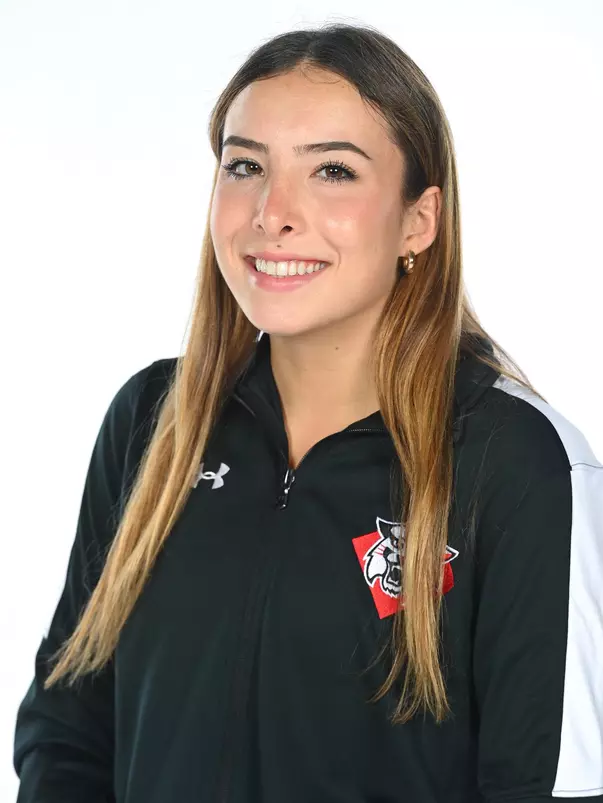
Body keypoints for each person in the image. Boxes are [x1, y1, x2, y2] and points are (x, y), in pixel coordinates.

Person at [13, 21, 603, 803]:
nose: (272, 212)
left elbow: (551, 782)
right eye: (244, 166)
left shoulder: (516, 462)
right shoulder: (151, 423)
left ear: (417, 220)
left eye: (331, 170)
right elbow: (67, 732)